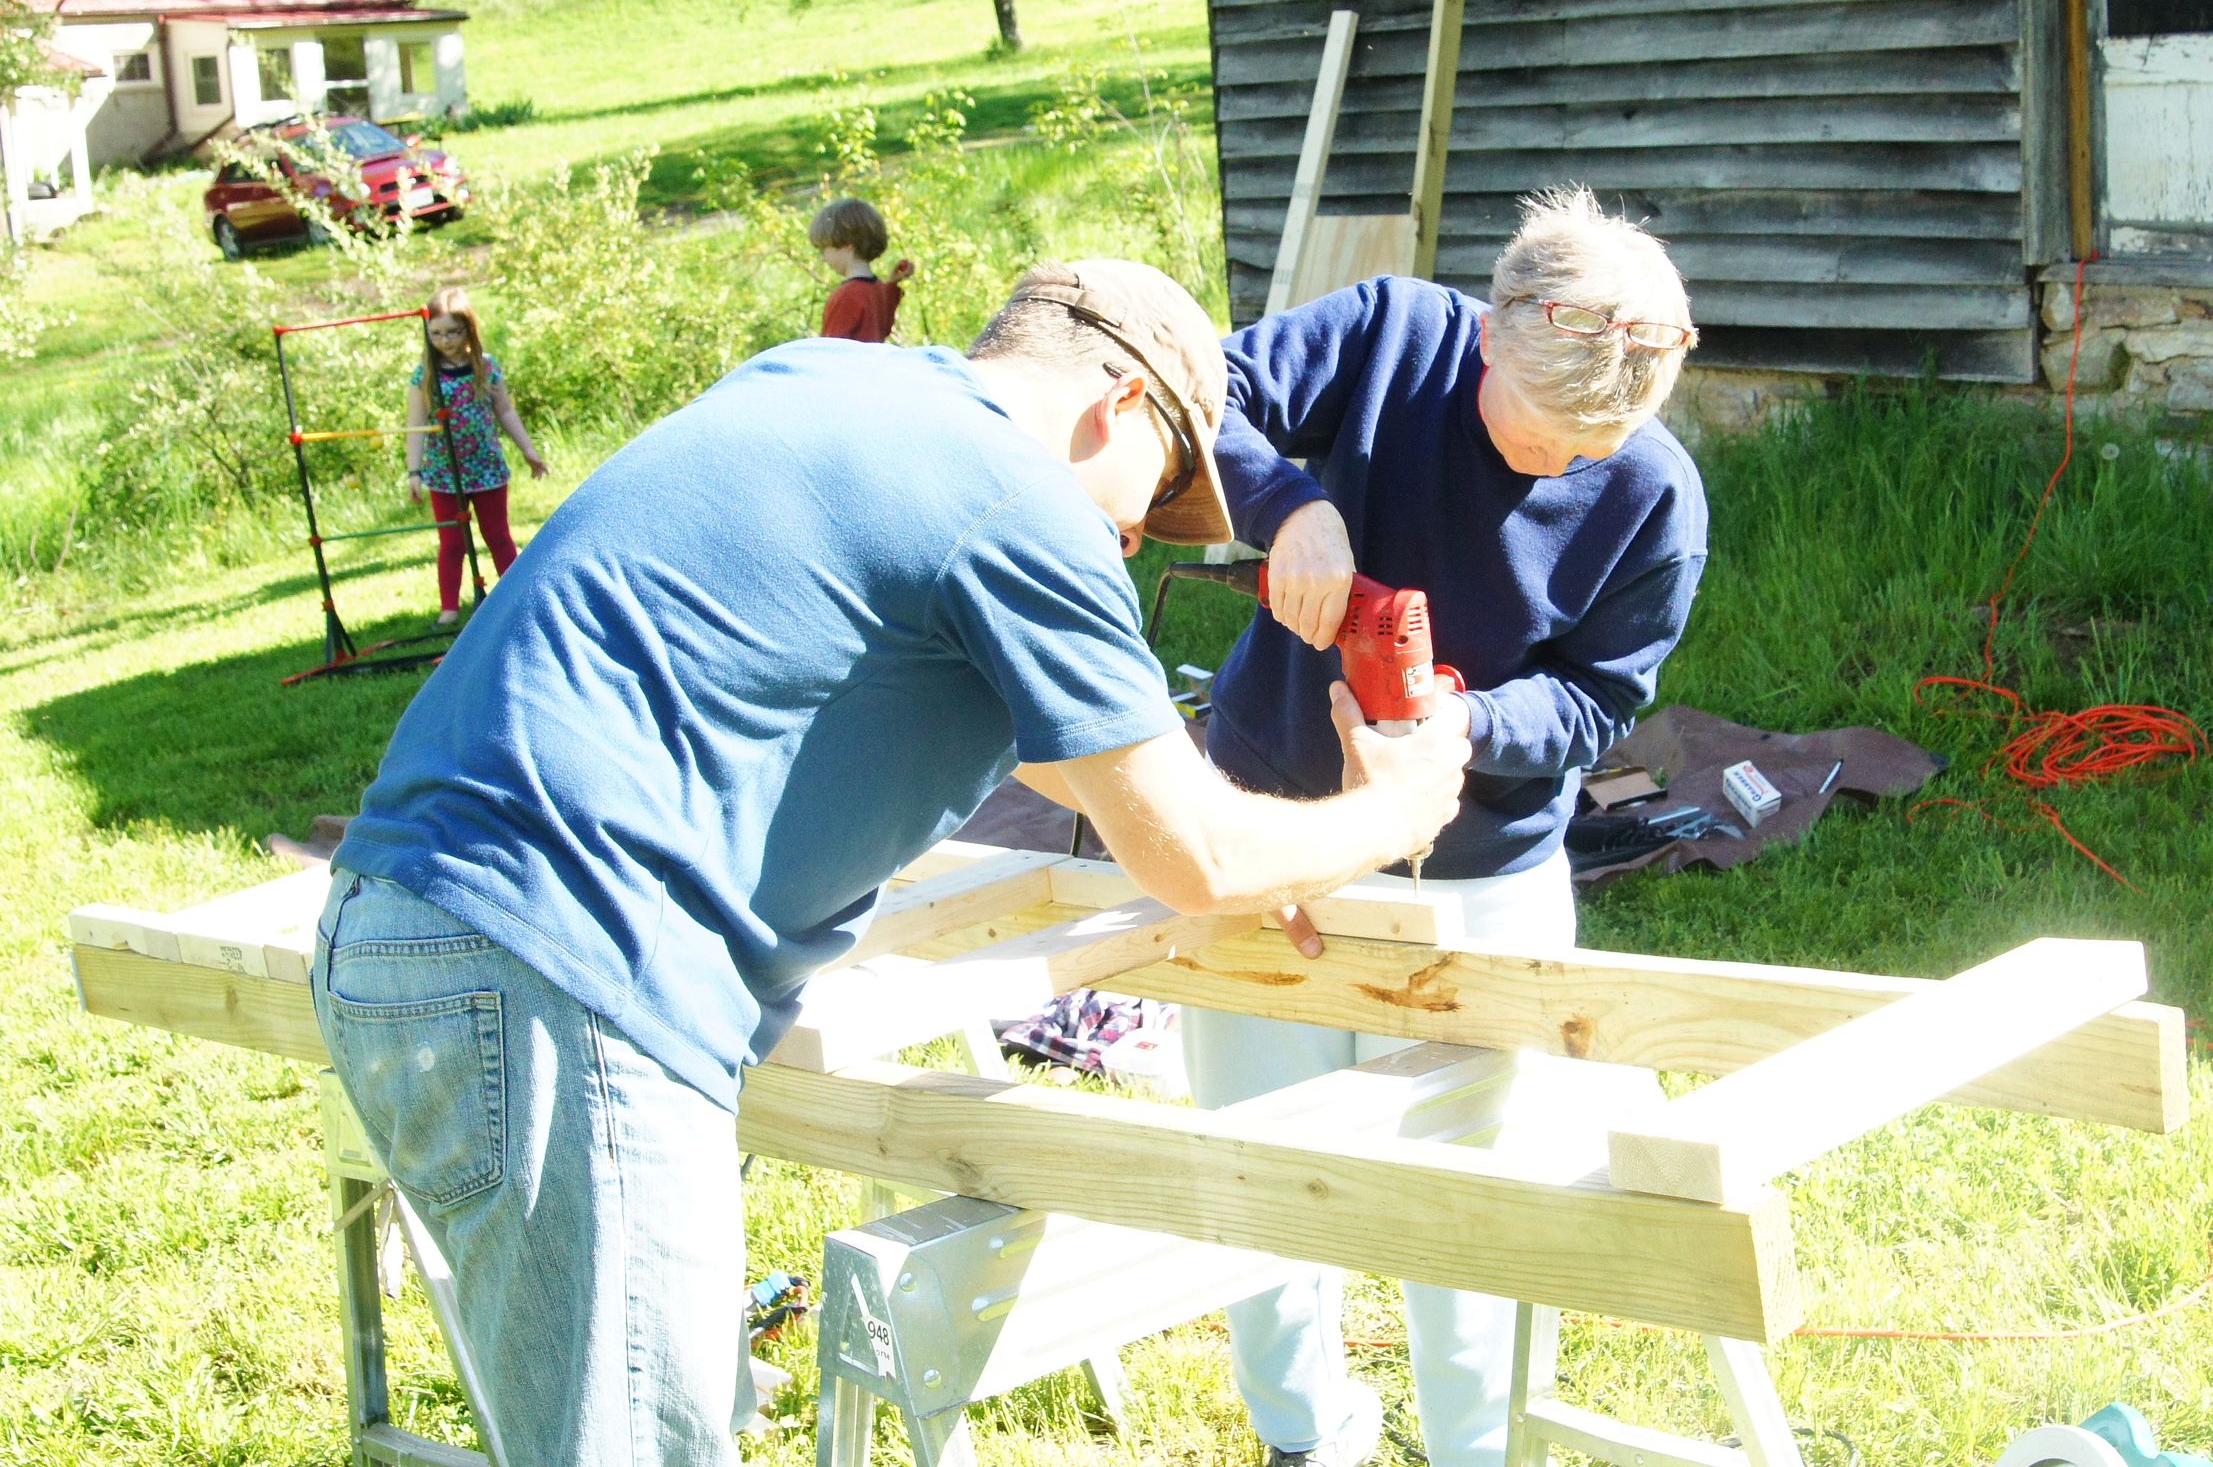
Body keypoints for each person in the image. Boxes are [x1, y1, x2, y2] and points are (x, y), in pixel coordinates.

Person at [317, 259, 1473, 1467]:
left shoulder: (818, 383)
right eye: (1165, 486)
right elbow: (1194, 852)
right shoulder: (1015, 499)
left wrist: (1287, 854)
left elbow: (1094, 777)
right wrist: (1390, 810)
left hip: (401, 923)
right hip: (567, 967)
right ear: (1120, 401)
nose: (1135, 535)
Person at [1183, 187, 1709, 1467]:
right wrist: (1288, 505)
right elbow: (1197, 391)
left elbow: (1599, 695)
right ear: (1488, 337)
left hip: (1482, 875)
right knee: (1260, 1171)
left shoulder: (1651, 492)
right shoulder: (1389, 337)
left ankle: (1477, 1449)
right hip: (1268, 830)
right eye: (1542, 438)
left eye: (1597, 445)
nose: (1564, 465)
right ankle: (1304, 1438)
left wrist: (1470, 729)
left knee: (1469, 1206)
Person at [405, 286, 547, 628]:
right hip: (444, 472)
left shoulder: (485, 367)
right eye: (436, 333)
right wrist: (414, 472)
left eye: (452, 331)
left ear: (468, 328)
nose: (445, 340)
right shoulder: (425, 375)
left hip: (486, 467)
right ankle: (449, 609)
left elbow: (506, 411)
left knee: (498, 534)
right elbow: (416, 423)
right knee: (452, 541)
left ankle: (516, 597)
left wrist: (528, 450)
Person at [813, 195, 914, 340]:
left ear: (847, 244)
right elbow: (884, 327)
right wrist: (891, 285)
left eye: (823, 249)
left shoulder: (846, 296)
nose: (823, 257)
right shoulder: (878, 288)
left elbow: (830, 350)